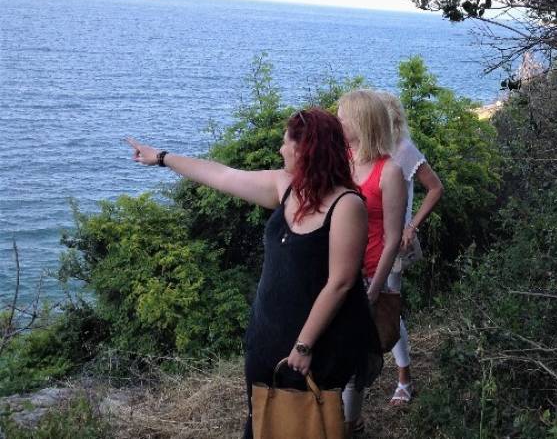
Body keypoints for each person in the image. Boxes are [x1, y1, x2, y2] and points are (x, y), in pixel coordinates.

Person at [125, 108, 382, 439]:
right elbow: (222, 175)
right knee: (263, 420)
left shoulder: (346, 205)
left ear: (305, 150)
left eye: (286, 143)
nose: (280, 149)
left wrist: (304, 345)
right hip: (268, 334)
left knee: (307, 425)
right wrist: (162, 158)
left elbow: (341, 283)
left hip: (319, 342)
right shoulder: (285, 186)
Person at [337, 89, 406, 433]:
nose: (338, 123)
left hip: (367, 274)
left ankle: (351, 425)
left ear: (362, 122)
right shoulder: (340, 160)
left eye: (343, 118)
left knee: (355, 360)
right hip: (335, 271)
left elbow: (393, 238)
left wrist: (375, 289)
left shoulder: (389, 171)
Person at [377, 91, 444, 406]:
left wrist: (411, 226)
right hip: (366, 239)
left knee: (388, 308)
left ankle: (404, 378)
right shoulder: (368, 148)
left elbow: (435, 188)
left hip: (393, 243)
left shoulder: (402, 149)